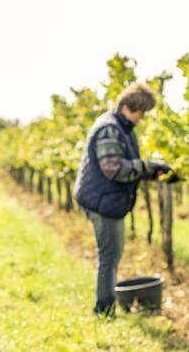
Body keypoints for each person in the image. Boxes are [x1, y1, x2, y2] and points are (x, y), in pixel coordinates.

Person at [74, 83, 174, 317]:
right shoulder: (110, 128)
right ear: (129, 107)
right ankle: (104, 311)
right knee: (109, 256)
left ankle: (106, 308)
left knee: (110, 255)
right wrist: (149, 166)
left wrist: (153, 172)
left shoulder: (121, 127)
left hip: (105, 198)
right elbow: (113, 168)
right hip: (102, 201)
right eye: (141, 112)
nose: (142, 118)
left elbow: (126, 164)